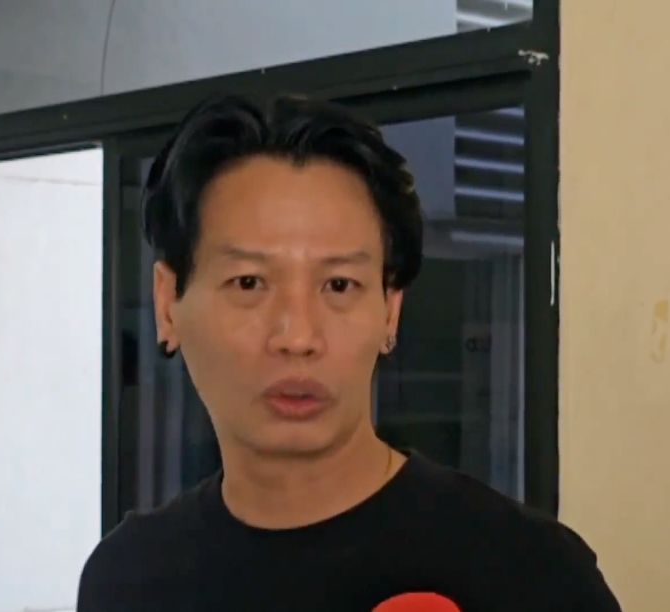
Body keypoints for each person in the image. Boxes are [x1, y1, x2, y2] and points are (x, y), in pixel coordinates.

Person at [77, 94, 620, 611]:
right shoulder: (126, 578)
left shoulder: (533, 575)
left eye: (339, 285)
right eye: (248, 282)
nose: (297, 337)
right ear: (168, 303)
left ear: (390, 310)